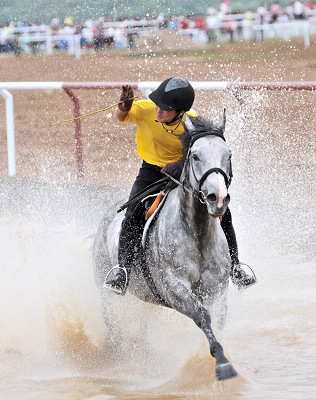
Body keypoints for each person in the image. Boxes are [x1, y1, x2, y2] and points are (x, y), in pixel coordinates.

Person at [105, 77, 256, 294]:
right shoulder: (147, 109)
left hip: (182, 173)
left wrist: (178, 164)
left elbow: (200, 154)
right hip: (150, 172)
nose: (158, 110)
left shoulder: (192, 123)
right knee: (132, 214)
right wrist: (123, 106)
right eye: (158, 104)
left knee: (224, 213)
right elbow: (120, 118)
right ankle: (122, 271)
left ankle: (235, 268)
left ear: (180, 112)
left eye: (165, 108)